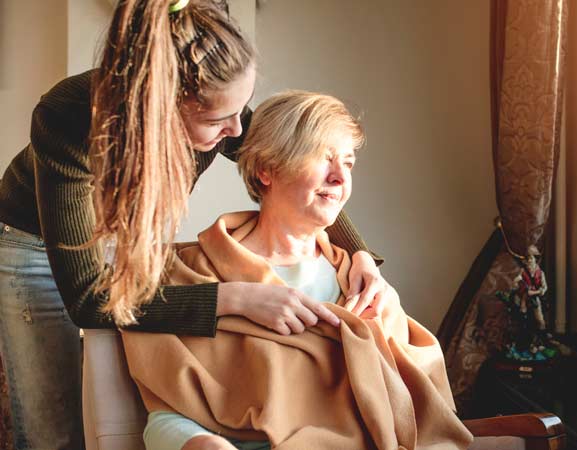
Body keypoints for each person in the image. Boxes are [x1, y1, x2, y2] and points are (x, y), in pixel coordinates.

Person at [0, 1, 387, 449]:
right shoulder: (67, 118)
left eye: (241, 109)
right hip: (32, 245)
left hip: (123, 242)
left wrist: (358, 251)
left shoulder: (223, 107)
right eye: (218, 120)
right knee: (56, 429)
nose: (238, 129)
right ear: (162, 107)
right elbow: (89, 300)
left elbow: (287, 164)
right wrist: (238, 298)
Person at [122, 90, 471, 450]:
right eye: (322, 157)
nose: (340, 177)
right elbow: (168, 410)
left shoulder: (360, 283)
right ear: (267, 170)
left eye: (348, 163)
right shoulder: (194, 271)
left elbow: (420, 409)